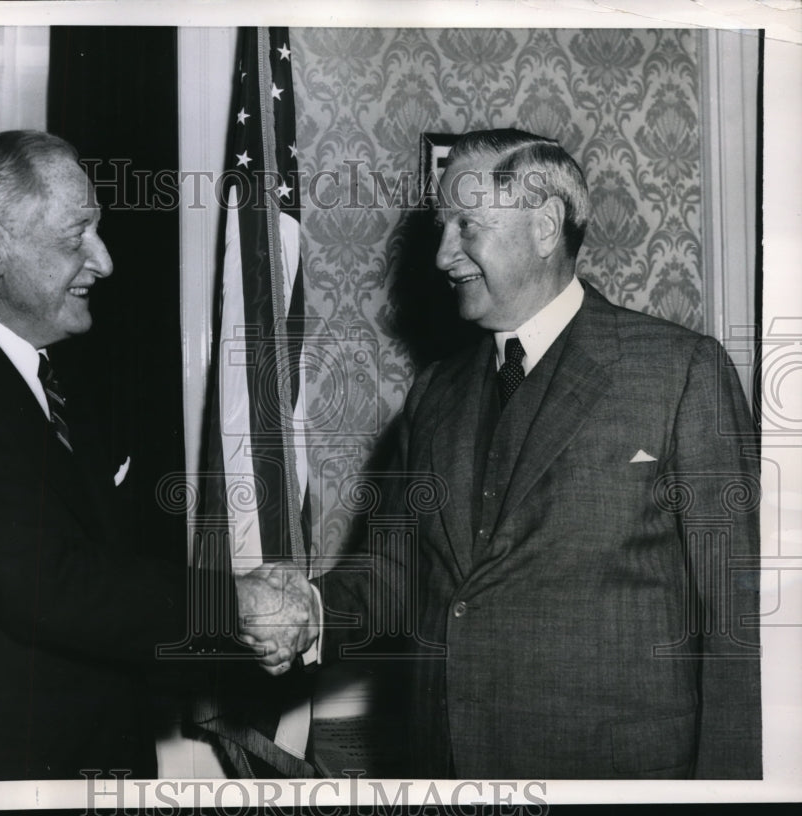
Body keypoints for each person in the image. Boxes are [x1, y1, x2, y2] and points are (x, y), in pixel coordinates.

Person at [254, 128, 762, 779]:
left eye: (466, 225)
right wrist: (313, 610)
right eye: (442, 227)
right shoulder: (436, 393)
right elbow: (399, 570)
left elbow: (738, 615)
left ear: (545, 225)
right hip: (453, 767)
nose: (442, 256)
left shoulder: (680, 371)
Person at [0, 130, 298, 782]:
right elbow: (46, 583)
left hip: (92, 759)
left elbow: (113, 568)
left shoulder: (64, 383)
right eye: (74, 236)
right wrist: (237, 605)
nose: (104, 261)